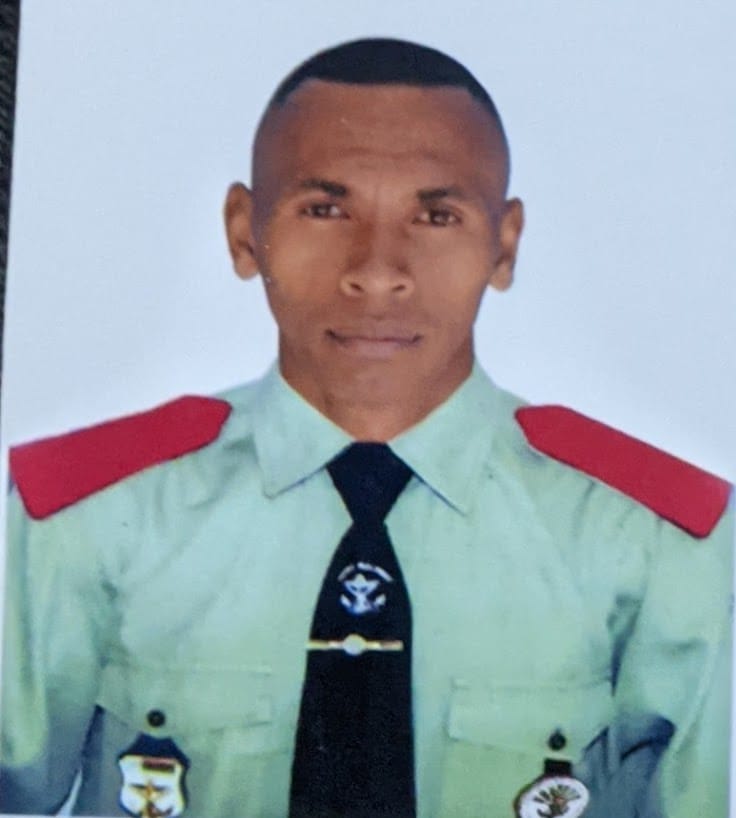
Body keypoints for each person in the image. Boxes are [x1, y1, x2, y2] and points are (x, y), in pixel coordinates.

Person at [0, 38, 731, 818]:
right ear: (245, 232)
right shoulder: (82, 524)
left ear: (504, 243)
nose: (378, 271)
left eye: (436, 215)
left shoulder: (651, 546)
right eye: (326, 209)